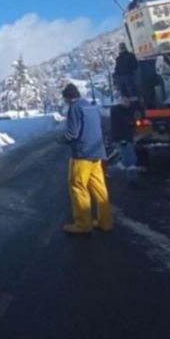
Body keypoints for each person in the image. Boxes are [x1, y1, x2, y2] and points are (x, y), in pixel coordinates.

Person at [60, 83, 113, 234]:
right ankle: (105, 222)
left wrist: (62, 140)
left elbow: (73, 133)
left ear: (68, 98)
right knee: (99, 188)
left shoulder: (74, 108)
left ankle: (83, 224)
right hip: (97, 152)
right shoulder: (91, 106)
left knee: (77, 186)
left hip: (82, 154)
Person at [110, 96, 138, 185]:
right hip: (122, 138)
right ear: (121, 101)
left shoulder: (126, 110)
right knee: (129, 157)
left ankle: (132, 179)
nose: (127, 103)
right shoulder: (117, 111)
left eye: (128, 101)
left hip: (126, 138)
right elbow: (122, 125)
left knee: (130, 158)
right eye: (125, 101)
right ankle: (115, 168)